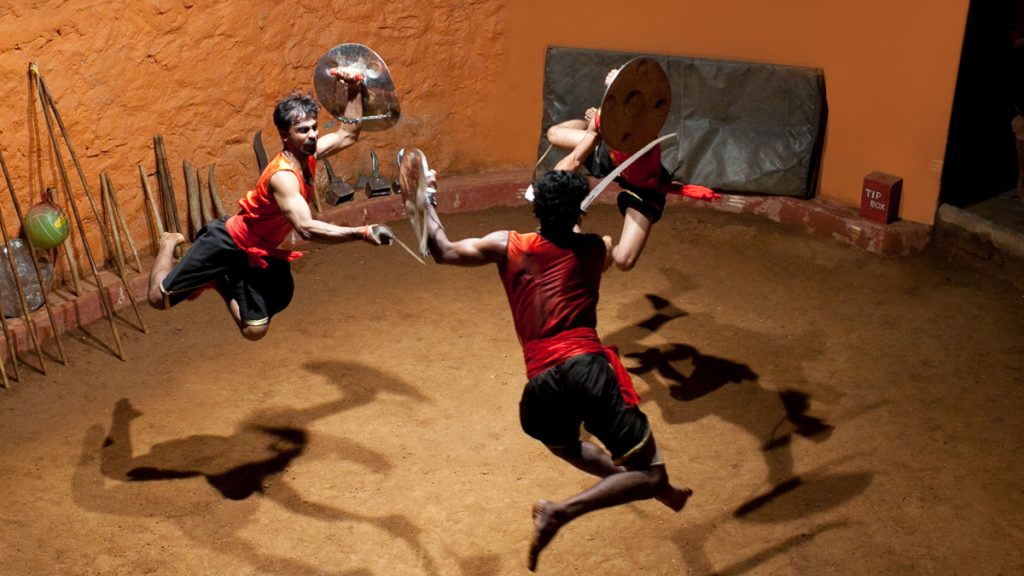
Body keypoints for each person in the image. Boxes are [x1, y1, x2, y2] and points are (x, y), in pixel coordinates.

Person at [423, 167, 692, 571]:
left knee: (563, 442)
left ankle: (645, 485)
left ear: (536, 207)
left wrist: (426, 198)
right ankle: (564, 511)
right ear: (579, 212)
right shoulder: (594, 249)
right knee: (650, 477)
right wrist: (645, 199)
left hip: (542, 384)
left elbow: (442, 250)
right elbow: (620, 253)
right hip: (587, 369)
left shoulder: (508, 245)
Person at [148, 68, 394, 341]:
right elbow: (306, 228)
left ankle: (218, 280)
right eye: (303, 130)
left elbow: (347, 134)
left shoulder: (307, 155)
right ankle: (169, 242)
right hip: (226, 241)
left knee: (254, 330)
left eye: (314, 127)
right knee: (159, 299)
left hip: (260, 249)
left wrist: (353, 89)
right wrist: (361, 232)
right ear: (284, 135)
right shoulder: (283, 177)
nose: (312, 135)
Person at [543, 66, 719, 271]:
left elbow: (645, 106)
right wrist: (592, 127)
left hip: (642, 187)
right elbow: (572, 162)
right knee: (554, 134)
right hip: (606, 156)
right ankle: (578, 234)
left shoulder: (645, 136)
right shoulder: (606, 117)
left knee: (623, 260)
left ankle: (602, 249)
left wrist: (620, 82)